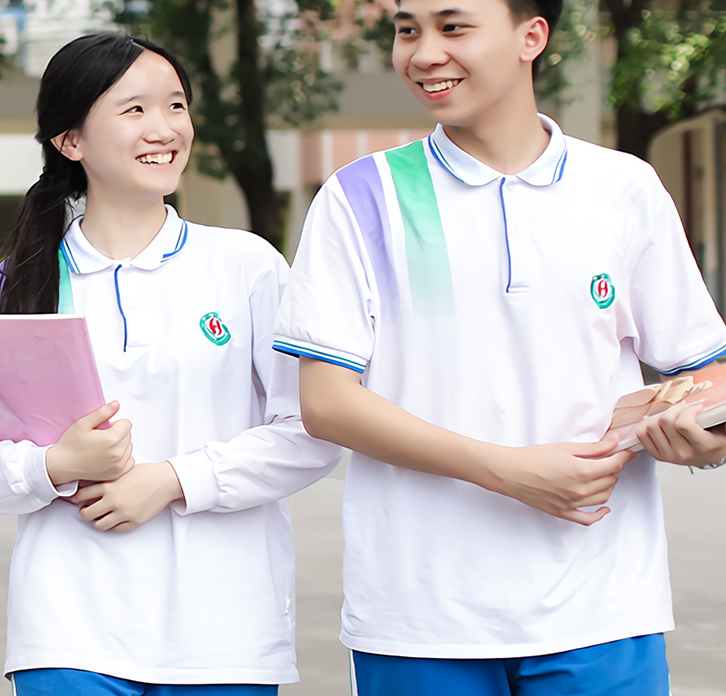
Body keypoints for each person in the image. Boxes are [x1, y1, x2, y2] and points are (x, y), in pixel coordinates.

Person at [277, 0, 726, 691]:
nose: (424, 53)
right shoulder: (361, 196)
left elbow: (706, 370)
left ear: (531, 36)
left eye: (453, 26)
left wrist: (700, 436)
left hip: (603, 606)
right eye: (407, 30)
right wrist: (507, 471)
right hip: (421, 615)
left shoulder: (622, 188)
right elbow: (327, 404)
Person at [0, 33, 342, 695]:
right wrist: (53, 466)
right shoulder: (16, 285)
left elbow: (311, 430)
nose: (164, 128)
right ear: (70, 140)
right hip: (68, 634)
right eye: (134, 109)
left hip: (222, 637)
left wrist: (172, 481)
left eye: (176, 106)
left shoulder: (246, 267)